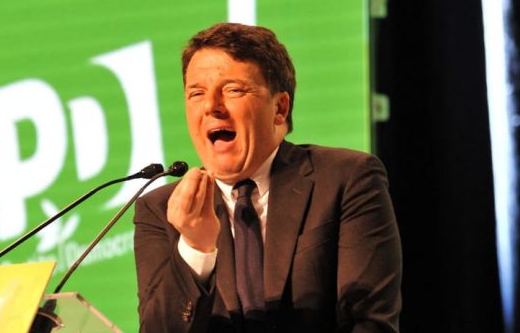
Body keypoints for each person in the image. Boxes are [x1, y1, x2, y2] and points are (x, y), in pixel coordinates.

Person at [134, 23, 402, 332]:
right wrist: (196, 247)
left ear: (280, 108)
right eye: (196, 93)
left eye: (233, 90)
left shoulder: (346, 178)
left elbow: (370, 322)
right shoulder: (159, 211)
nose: (210, 107)